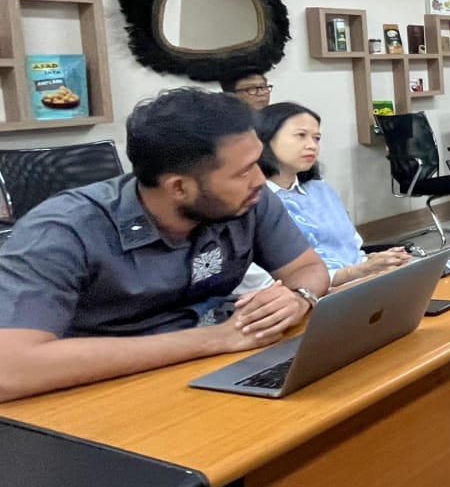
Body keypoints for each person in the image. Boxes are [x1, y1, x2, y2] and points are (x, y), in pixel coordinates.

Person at [0, 88, 329, 402]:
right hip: (101, 390)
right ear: (179, 188)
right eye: (243, 172)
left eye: (258, 161)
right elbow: (10, 370)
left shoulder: (247, 199)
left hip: (210, 368)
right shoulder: (62, 230)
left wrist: (299, 297)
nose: (259, 179)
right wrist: (216, 339)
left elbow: (306, 268)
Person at [256, 101, 410, 285]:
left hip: (360, 284)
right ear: (265, 138)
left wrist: (377, 262)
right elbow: (283, 281)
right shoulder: (255, 200)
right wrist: (359, 271)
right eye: (300, 135)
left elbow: (353, 247)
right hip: (309, 295)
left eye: (316, 138)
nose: (311, 145)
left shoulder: (321, 190)